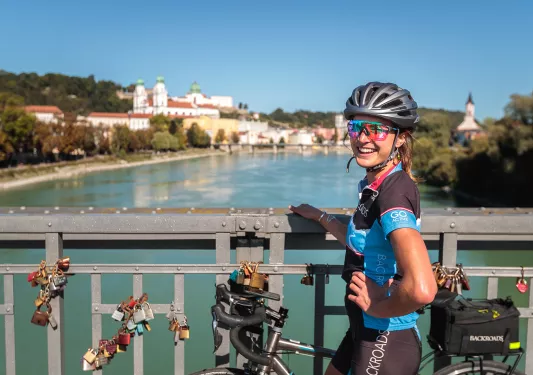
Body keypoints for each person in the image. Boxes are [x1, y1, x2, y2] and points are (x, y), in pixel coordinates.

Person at [289, 82, 437, 375]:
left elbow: (422, 289)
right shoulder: (378, 184)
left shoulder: (394, 192)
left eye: (377, 129)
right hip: (364, 329)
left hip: (385, 337)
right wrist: (321, 217)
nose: (363, 138)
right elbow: (366, 243)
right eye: (357, 127)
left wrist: (377, 306)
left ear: (400, 139)